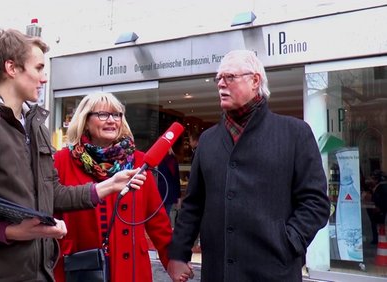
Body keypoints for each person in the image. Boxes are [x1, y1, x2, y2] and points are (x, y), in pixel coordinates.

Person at [0, 29, 145, 282]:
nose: (44, 78)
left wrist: (109, 185)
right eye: (39, 68)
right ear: (12, 68)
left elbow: (52, 193)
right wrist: (11, 231)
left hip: (39, 272)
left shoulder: (35, 125)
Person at [167, 50, 330, 282]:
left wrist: (288, 242)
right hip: (217, 273)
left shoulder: (294, 133)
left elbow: (315, 202)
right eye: (218, 79)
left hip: (274, 272)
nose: (221, 84)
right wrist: (178, 254)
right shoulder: (208, 139)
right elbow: (194, 204)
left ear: (255, 81)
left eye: (229, 77)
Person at [52, 92, 172, 282]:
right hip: (80, 267)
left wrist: (173, 261)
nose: (111, 120)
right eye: (102, 114)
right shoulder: (61, 161)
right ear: (85, 120)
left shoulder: (139, 161)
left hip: (131, 268)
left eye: (117, 115)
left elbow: (157, 220)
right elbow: (52, 214)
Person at [157, 148, 182, 217]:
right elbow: (176, 179)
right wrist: (178, 196)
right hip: (169, 193)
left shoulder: (158, 159)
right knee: (166, 215)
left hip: (160, 192)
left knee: (161, 215)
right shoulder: (172, 160)